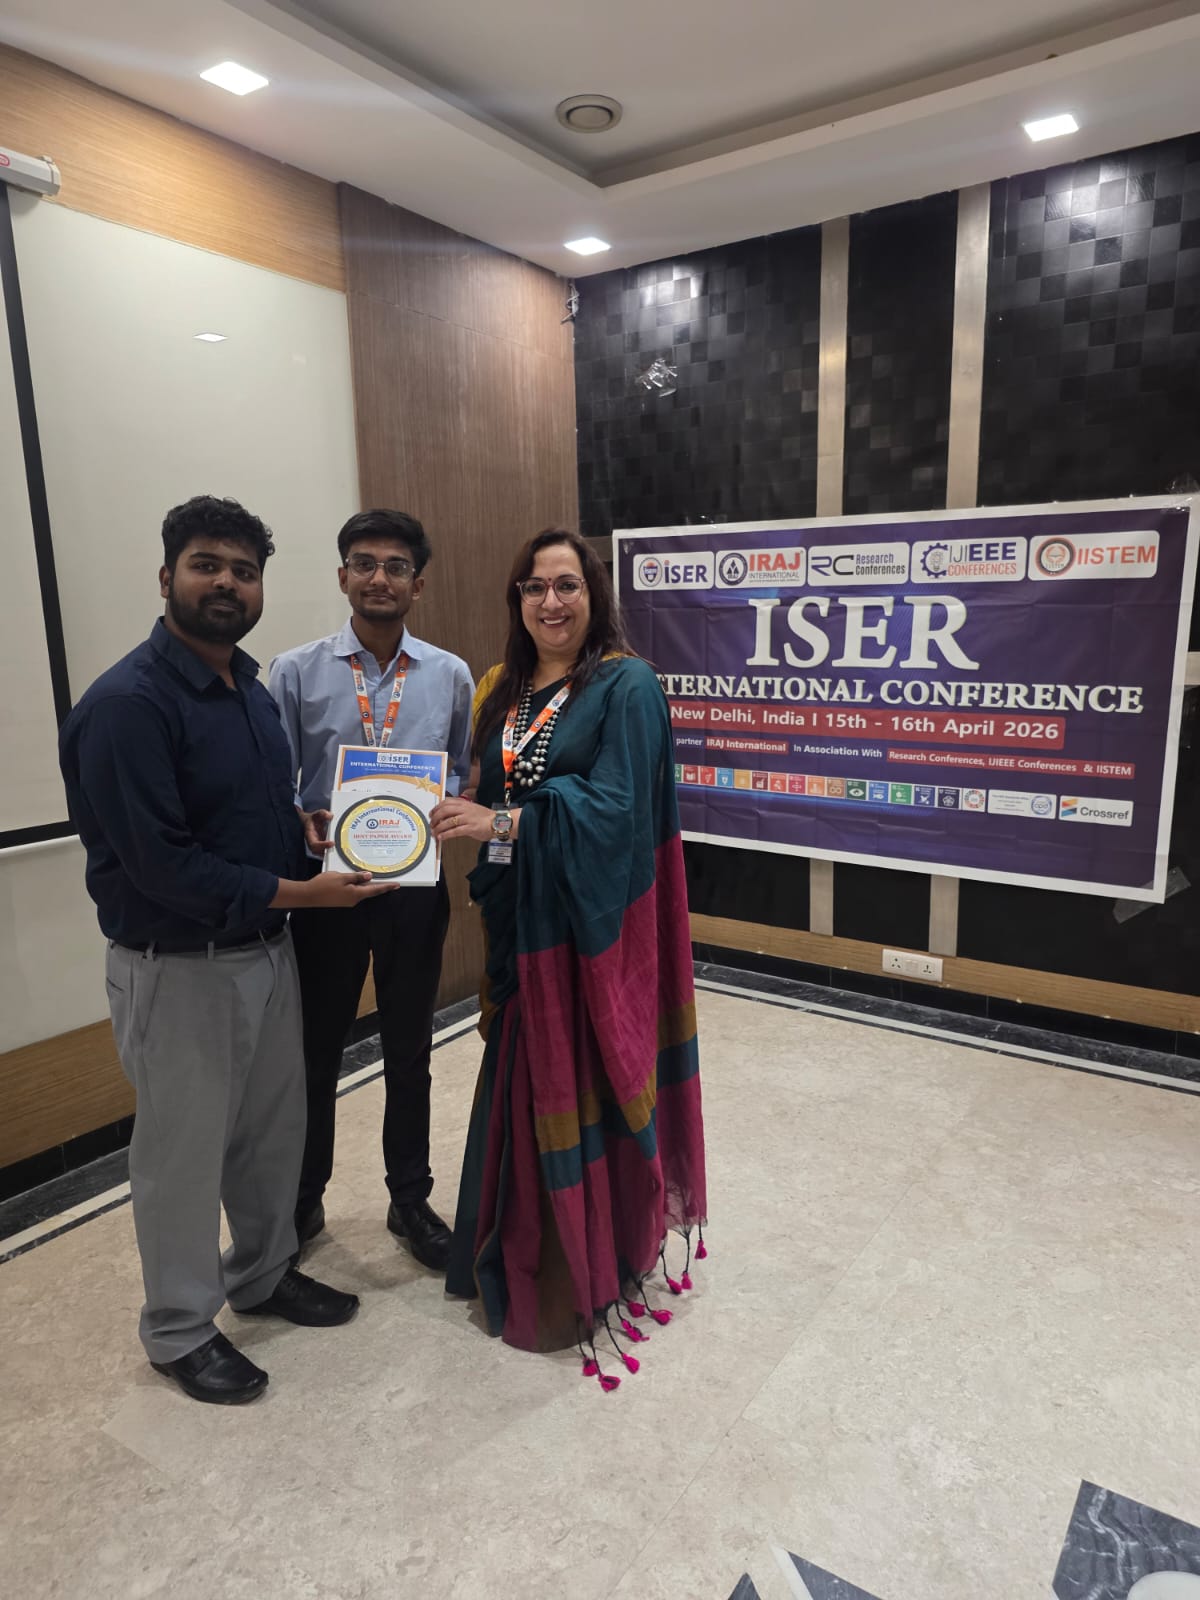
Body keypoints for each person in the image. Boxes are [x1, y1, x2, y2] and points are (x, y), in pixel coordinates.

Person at [59, 495, 394, 1406]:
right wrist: (308, 893)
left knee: (269, 1133)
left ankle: (262, 1272)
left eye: (244, 572)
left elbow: (250, 817)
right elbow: (166, 866)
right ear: (166, 576)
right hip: (178, 968)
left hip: (266, 953)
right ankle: (178, 1328)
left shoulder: (248, 688)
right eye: (206, 565)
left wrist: (306, 832)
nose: (227, 584)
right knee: (182, 1156)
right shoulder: (127, 706)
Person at [430, 529, 707, 1371]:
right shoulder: (500, 689)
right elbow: (491, 787)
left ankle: (582, 1264)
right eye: (534, 587)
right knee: (520, 1078)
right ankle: (510, 1244)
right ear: (516, 598)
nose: (550, 602)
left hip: (588, 930)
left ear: (594, 595)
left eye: (568, 585)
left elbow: (618, 809)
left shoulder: (627, 685)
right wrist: (438, 806)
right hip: (518, 920)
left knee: (579, 1079)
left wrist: (504, 820)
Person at [269, 510, 473, 1271]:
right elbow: (273, 781)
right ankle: (303, 1198)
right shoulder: (295, 671)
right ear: (342, 576)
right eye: (364, 563)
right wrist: (300, 817)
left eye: (395, 566)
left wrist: (449, 805)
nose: (378, 578)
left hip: (414, 888)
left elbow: (462, 771)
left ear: (418, 584)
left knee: (409, 1047)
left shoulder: (450, 674)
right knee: (315, 1049)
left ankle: (409, 1198)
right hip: (327, 889)